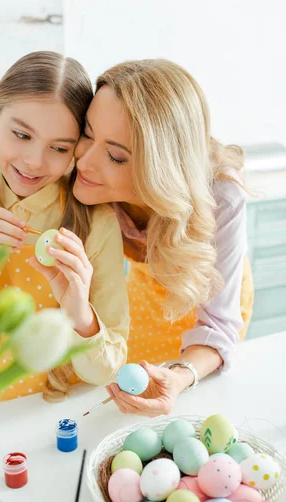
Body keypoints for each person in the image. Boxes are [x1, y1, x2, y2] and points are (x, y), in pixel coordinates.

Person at [0, 51, 129, 402]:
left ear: (77, 150)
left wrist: (80, 313)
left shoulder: (97, 222)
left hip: (59, 412)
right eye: (22, 135)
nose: (34, 161)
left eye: (59, 148)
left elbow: (106, 371)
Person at [73, 58, 253, 417]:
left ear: (160, 168)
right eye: (88, 133)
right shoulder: (86, 179)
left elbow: (217, 325)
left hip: (199, 292)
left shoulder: (221, 198)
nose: (84, 162)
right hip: (137, 300)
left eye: (116, 156)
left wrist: (181, 375)